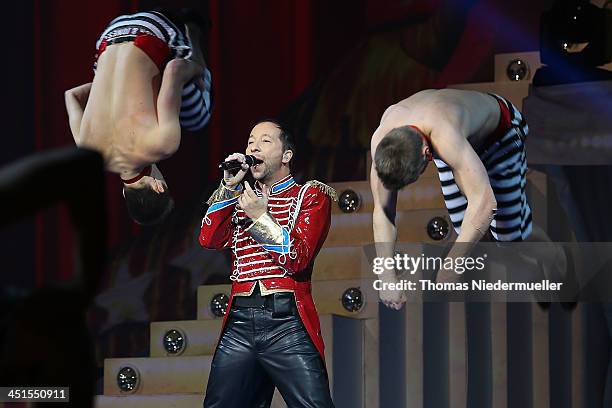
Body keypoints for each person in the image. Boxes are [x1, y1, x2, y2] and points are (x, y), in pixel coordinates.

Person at [199, 120, 336, 407]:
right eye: (250, 141)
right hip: (239, 323)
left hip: (286, 323)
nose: (253, 147)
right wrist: (229, 186)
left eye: (265, 141)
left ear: (286, 155)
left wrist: (261, 219)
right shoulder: (240, 199)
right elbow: (208, 239)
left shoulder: (311, 195)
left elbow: (297, 259)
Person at [370, 89, 532, 308]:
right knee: (463, 226)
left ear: (427, 153)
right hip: (456, 146)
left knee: (507, 238)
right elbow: (383, 210)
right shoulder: (381, 140)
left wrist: (453, 263)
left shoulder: (444, 136)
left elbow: (486, 203)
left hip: (501, 136)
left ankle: (547, 257)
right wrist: (386, 278)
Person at [65, 9, 212, 225]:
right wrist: (110, 87)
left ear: (158, 186)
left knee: (197, 117)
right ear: (125, 193)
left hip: (152, 30)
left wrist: (197, 69)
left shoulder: (161, 146)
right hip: (109, 36)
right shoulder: (88, 153)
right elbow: (72, 94)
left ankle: (193, 28)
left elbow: (174, 70)